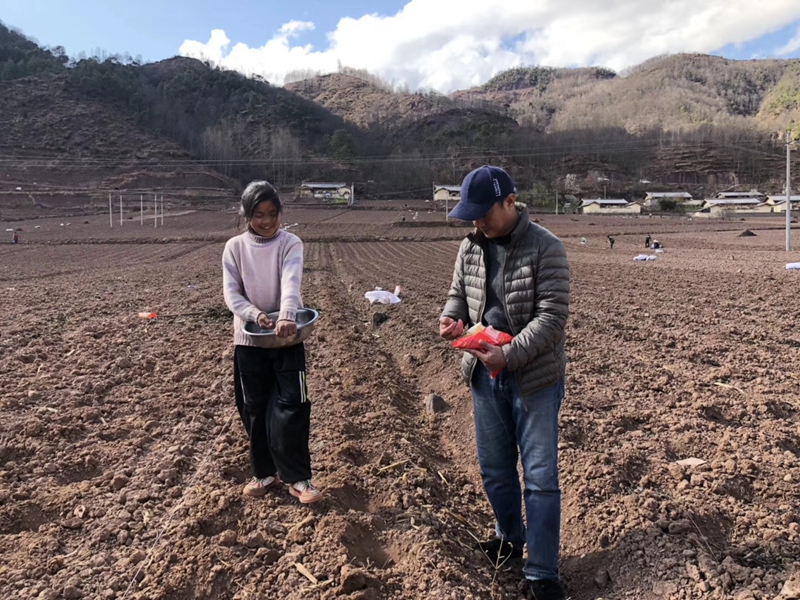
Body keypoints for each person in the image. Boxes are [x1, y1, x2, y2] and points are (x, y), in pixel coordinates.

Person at [439, 166, 570, 600]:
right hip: (484, 374)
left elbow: (552, 318)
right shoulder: (470, 246)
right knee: (495, 470)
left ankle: (543, 573)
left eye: (485, 213)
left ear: (510, 202)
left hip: (533, 379)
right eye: (471, 215)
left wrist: (510, 355)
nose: (478, 222)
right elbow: (459, 293)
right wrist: (452, 316)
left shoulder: (546, 247)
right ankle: (509, 539)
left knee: (540, 477)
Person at [222, 181, 322, 504]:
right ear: (246, 215)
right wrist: (254, 314)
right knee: (254, 407)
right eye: (258, 215)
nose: (266, 221)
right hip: (249, 339)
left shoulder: (290, 243)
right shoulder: (235, 248)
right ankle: (265, 472)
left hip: (287, 335)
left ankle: (298, 478)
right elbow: (232, 294)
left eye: (272, 213)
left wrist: (286, 315)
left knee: (293, 404)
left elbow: (291, 281)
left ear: (281, 212)